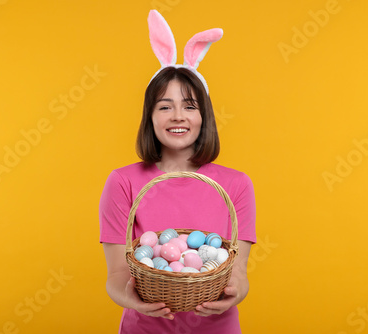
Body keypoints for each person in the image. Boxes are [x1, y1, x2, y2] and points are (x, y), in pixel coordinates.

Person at [99, 10, 256, 334]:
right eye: (164, 106)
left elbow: (238, 275)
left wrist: (235, 293)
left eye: (189, 105)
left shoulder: (236, 185)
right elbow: (116, 276)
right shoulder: (123, 182)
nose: (177, 116)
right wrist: (130, 297)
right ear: (150, 116)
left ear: (204, 116)